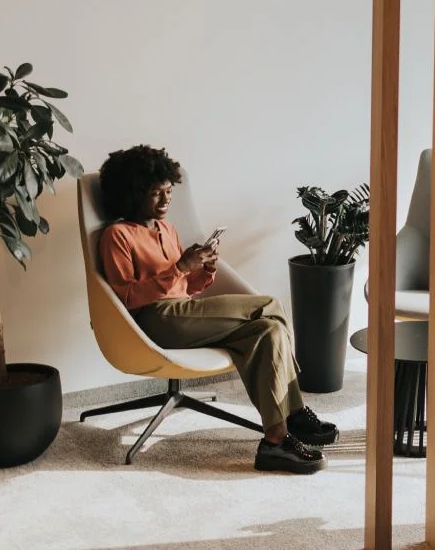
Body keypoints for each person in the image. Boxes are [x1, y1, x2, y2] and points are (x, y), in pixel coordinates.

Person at [97, 145, 338, 474]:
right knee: (270, 305)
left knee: (268, 332)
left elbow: (185, 287)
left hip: (184, 313)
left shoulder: (167, 230)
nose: (166, 200)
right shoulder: (117, 236)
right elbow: (126, 297)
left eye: (169, 192)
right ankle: (295, 412)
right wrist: (180, 267)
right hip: (155, 321)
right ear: (132, 194)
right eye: (156, 193)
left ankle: (275, 441)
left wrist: (204, 270)